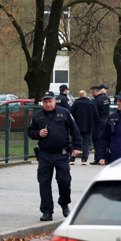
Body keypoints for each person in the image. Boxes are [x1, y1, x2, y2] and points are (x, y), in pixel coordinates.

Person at [28, 91, 82, 221]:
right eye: (45, 102)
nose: (48, 104)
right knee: (44, 183)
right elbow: (30, 131)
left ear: (54, 101)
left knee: (64, 181)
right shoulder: (38, 116)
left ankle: (64, 204)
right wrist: (38, 133)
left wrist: (77, 147)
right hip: (45, 154)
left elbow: (75, 130)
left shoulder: (64, 112)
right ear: (42, 102)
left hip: (61, 154)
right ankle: (47, 211)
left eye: (50, 101)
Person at [69, 90, 99, 165]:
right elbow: (96, 115)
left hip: (77, 126)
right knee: (86, 143)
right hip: (88, 126)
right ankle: (84, 159)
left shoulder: (76, 103)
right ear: (85, 95)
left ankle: (72, 158)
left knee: (75, 142)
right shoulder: (91, 103)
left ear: (79, 96)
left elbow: (71, 114)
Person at [91, 84, 111, 165]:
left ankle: (98, 158)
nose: (91, 94)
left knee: (97, 140)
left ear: (95, 92)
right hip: (106, 120)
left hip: (98, 122)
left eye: (92, 92)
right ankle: (106, 157)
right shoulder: (107, 99)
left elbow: (94, 113)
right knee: (105, 139)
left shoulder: (96, 101)